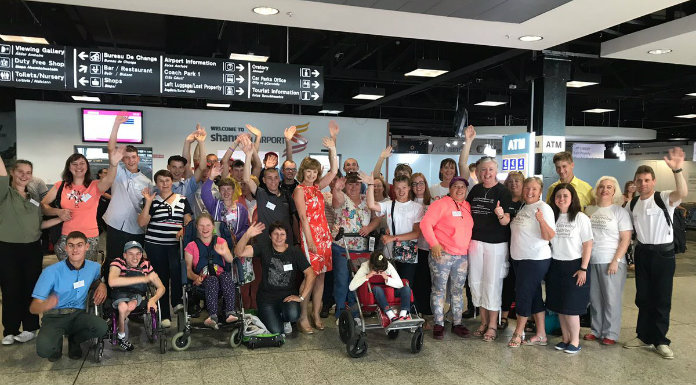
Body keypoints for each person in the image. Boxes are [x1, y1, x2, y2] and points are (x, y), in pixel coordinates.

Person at [624, 148, 687, 359]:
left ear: (654, 181)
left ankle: (660, 340)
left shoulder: (664, 198)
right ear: (635, 182)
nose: (643, 184)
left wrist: (677, 170)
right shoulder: (632, 204)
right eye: (639, 180)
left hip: (663, 255)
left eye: (647, 180)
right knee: (643, 297)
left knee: (661, 298)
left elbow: (683, 193)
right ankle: (643, 335)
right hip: (643, 253)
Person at [0, 158, 63, 345]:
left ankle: (30, 328)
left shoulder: (34, 198)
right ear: (12, 172)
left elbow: (40, 225)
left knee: (31, 289)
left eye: (28, 173)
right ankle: (10, 330)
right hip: (7, 248)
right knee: (11, 289)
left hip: (32, 249)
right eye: (20, 172)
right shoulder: (5, 194)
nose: (24, 176)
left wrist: (61, 218)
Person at [42, 127, 123, 261]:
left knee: (88, 275)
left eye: (82, 163)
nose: (78, 167)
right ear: (69, 167)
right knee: (67, 274)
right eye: (74, 164)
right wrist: (58, 211)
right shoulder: (60, 185)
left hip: (89, 238)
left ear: (87, 166)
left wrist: (113, 165)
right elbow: (43, 206)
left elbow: (109, 180)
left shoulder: (95, 185)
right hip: (65, 238)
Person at [30, 231, 108, 361]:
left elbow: (96, 280)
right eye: (71, 245)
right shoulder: (50, 272)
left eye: (79, 245)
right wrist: (46, 305)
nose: (75, 249)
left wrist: (102, 285)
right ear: (65, 248)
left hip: (78, 315)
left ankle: (74, 340)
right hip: (54, 317)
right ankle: (56, 343)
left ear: (87, 247)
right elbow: (33, 308)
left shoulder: (94, 267)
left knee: (101, 327)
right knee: (44, 351)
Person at [293, 122, 339, 333]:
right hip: (310, 236)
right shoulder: (300, 190)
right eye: (309, 172)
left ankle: (316, 314)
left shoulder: (318, 188)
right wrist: (310, 240)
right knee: (310, 276)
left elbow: (335, 170)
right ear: (303, 172)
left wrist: (332, 147)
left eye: (314, 172)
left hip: (325, 237)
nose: (312, 175)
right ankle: (302, 317)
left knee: (321, 277)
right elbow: (303, 217)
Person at [235, 222, 316, 335]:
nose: (279, 237)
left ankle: (283, 318)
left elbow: (310, 274)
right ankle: (271, 316)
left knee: (293, 315)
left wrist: (301, 297)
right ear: (270, 236)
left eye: (282, 234)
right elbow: (239, 252)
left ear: (286, 236)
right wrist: (247, 235)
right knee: (277, 331)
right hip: (267, 298)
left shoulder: (294, 251)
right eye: (275, 234)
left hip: (287, 297)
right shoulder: (264, 247)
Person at [419, 176, 473, 339]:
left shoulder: (467, 206)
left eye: (462, 186)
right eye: (455, 186)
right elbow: (425, 224)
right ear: (450, 189)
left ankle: (457, 322)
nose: (459, 189)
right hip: (441, 254)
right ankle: (438, 324)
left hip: (461, 255)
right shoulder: (440, 204)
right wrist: (434, 244)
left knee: (457, 291)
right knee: (439, 290)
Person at [466, 152, 512, 342]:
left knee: (492, 283)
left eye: (490, 169)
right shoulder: (475, 190)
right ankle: (483, 322)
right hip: (475, 242)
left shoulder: (503, 192)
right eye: (483, 170)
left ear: (496, 171)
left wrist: (501, 214)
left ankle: (493, 325)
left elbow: (506, 222)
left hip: (496, 245)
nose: (487, 173)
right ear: (477, 172)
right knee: (476, 281)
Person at [138, 169, 193, 327]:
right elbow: (142, 223)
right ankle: (164, 315)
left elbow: (188, 221)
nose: (164, 184)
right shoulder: (151, 200)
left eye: (167, 180)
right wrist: (148, 202)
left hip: (175, 244)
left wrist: (184, 228)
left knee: (176, 269)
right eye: (161, 181)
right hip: (155, 244)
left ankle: (176, 302)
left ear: (172, 182)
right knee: (160, 278)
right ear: (157, 183)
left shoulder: (182, 199)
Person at [508, 177, 556, 348]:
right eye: (527, 188)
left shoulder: (544, 208)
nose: (529, 192)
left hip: (535, 258)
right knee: (534, 296)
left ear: (540, 191)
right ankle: (541, 335)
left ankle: (518, 333)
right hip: (519, 258)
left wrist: (541, 220)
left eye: (534, 189)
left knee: (523, 295)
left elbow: (549, 236)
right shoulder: (523, 206)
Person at [585, 176, 632, 346]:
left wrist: (616, 260)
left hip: (612, 261)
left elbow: (625, 239)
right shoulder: (590, 210)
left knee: (611, 299)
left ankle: (611, 333)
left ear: (614, 191)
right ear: (597, 190)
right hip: (593, 260)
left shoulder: (620, 212)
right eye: (602, 187)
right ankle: (596, 330)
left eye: (609, 187)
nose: (605, 190)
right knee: (595, 298)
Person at [546, 184, 593, 354]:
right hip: (555, 265)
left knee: (571, 307)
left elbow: (588, 244)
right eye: (558, 196)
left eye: (565, 195)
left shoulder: (581, 218)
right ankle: (565, 339)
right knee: (560, 306)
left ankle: (575, 340)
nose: (561, 199)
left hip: (575, 265)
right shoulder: (553, 216)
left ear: (572, 198)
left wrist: (584, 268)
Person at [331, 172, 380, 321]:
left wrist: (369, 228)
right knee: (342, 280)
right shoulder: (342, 198)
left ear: (361, 185)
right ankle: (340, 312)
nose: (353, 187)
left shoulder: (367, 200)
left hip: (362, 248)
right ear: (345, 185)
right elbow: (336, 201)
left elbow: (377, 219)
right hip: (342, 246)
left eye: (357, 184)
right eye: (350, 184)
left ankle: (354, 312)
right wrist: (337, 189)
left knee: (357, 280)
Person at [102, 115, 153, 260]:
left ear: (138, 158)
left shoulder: (147, 182)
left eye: (133, 157)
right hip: (115, 225)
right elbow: (111, 149)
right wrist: (116, 124)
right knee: (113, 259)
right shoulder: (117, 173)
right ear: (123, 159)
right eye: (127, 157)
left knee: (133, 261)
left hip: (136, 228)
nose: (130, 160)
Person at [364, 173, 424, 287]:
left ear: (409, 188)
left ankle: (406, 305)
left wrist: (393, 238)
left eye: (404, 187)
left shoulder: (417, 207)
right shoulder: (389, 204)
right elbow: (371, 205)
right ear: (394, 189)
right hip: (390, 253)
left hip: (408, 254)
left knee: (405, 286)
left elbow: (416, 233)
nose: (401, 191)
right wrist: (371, 185)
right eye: (398, 188)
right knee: (390, 285)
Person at [108, 240, 165, 351]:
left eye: (138, 254)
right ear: (124, 255)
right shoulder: (118, 263)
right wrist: (144, 278)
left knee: (129, 306)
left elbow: (161, 287)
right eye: (131, 254)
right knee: (122, 307)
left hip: (137, 295)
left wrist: (153, 299)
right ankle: (121, 335)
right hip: (120, 293)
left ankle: (119, 333)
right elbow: (112, 281)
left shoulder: (145, 265)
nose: (135, 257)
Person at [184, 214, 238, 329]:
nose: (205, 229)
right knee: (212, 280)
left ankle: (230, 312)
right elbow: (188, 270)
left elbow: (230, 260)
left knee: (226, 276)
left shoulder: (221, 241)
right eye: (201, 225)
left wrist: (224, 253)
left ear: (213, 226)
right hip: (203, 282)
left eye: (208, 225)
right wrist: (195, 278)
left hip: (222, 281)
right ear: (197, 227)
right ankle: (212, 316)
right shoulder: (191, 246)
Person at [349, 251, 413, 323]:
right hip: (375, 294)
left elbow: (400, 284)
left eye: (381, 271)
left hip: (390, 292)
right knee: (377, 289)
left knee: (406, 289)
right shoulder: (365, 266)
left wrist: (387, 278)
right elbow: (351, 287)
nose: (379, 273)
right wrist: (367, 276)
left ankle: (403, 315)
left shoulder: (388, 265)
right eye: (377, 271)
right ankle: (391, 315)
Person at [499, 171, 524, 331]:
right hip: (503, 246)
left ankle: (525, 317)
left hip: (521, 249)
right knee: (506, 282)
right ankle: (504, 316)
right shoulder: (503, 201)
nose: (514, 184)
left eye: (517, 181)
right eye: (511, 181)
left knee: (521, 283)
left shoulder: (527, 204)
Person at [409, 172, 433, 328]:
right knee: (413, 281)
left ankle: (426, 313)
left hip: (426, 247)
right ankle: (414, 311)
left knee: (425, 282)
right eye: (415, 184)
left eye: (421, 183)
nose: (418, 186)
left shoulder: (432, 202)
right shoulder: (406, 202)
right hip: (410, 247)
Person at [428, 127, 475, 200]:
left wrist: (468, 141)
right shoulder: (432, 189)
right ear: (441, 170)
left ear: (455, 171)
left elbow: (462, 163)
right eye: (446, 167)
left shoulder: (462, 187)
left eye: (452, 168)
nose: (449, 170)